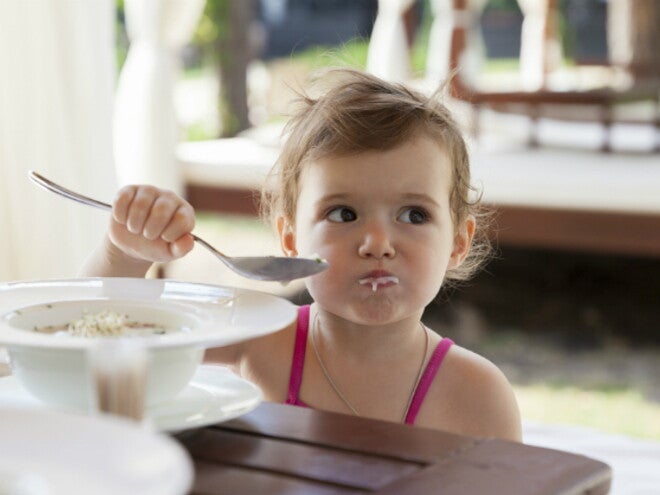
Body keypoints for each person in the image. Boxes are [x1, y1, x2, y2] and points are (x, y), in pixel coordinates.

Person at [80, 68, 521, 441]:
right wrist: (124, 255)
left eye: (413, 214)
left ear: (457, 243)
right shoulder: (261, 340)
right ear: (290, 239)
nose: (377, 243)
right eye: (343, 213)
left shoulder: (477, 396)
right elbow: (98, 341)